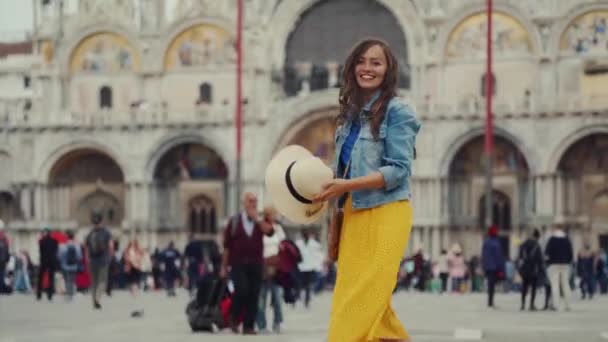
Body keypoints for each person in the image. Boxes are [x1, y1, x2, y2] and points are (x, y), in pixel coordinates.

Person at [312, 38, 421, 342]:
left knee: (360, 302)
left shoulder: (399, 112)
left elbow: (398, 170)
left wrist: (345, 185)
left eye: (376, 62)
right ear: (351, 67)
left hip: (387, 213)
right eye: (361, 61)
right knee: (365, 302)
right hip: (354, 214)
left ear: (388, 70)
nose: (367, 68)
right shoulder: (348, 116)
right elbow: (344, 169)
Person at [220, 192, 275, 335]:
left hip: (256, 263)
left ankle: (248, 326)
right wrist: (223, 267)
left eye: (255, 201)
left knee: (254, 294)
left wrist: (256, 219)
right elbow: (227, 246)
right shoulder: (234, 222)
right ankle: (234, 318)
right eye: (250, 201)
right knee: (242, 290)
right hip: (238, 264)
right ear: (243, 203)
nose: (253, 203)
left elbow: (270, 232)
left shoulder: (260, 221)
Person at [256, 206, 286, 334]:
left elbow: (283, 245)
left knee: (277, 298)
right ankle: (262, 325)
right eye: (272, 214)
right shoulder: (260, 229)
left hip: (276, 267)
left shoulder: (278, 229)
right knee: (261, 298)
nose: (274, 216)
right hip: (262, 266)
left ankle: (277, 322)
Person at [85, 211, 113, 309]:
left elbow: (87, 249)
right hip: (103, 260)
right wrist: (110, 257)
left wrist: (88, 260)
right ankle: (97, 298)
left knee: (94, 282)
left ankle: (94, 302)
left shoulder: (90, 233)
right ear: (101, 221)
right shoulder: (106, 232)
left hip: (93, 260)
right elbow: (110, 246)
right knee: (102, 281)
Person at [544, 225, 573, 311]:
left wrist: (548, 263)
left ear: (555, 229)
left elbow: (547, 253)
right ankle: (568, 305)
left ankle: (555, 305)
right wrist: (568, 261)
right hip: (565, 264)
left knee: (555, 285)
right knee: (566, 284)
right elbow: (570, 253)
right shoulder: (567, 239)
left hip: (554, 264)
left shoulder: (552, 239)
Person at [295, 228, 322, 308]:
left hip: (310, 267)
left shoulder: (314, 243)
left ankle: (307, 300)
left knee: (308, 285)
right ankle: (298, 296)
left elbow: (318, 252)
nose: (306, 235)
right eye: (304, 233)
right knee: (299, 284)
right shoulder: (298, 243)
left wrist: (317, 264)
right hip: (301, 267)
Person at [517, 229, 543, 310]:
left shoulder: (523, 245)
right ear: (537, 236)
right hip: (533, 269)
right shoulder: (537, 245)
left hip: (525, 268)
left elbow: (520, 257)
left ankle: (523, 304)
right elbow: (540, 259)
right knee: (533, 287)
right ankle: (531, 305)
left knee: (524, 286)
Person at [481, 225, 505, 308]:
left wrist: (484, 265)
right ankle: (491, 301)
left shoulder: (486, 242)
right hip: (494, 267)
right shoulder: (496, 243)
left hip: (488, 267)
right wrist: (501, 268)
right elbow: (499, 257)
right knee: (492, 284)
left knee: (490, 284)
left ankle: (490, 301)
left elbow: (483, 255)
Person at [58, 230, 82, 301]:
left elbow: (60, 256)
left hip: (65, 266)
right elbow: (79, 257)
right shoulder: (77, 246)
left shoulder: (63, 246)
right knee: (72, 280)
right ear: (73, 237)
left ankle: (68, 294)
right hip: (74, 266)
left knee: (67, 280)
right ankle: (71, 294)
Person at [123, 239, 144, 317]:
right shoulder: (134, 250)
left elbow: (127, 259)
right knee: (134, 286)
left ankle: (135, 302)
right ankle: (135, 298)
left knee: (133, 286)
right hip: (134, 268)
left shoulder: (129, 250)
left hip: (133, 269)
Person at [37, 228, 59, 301]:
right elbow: (56, 252)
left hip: (43, 261)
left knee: (40, 278)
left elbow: (40, 252)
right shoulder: (55, 242)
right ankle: (50, 294)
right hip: (51, 262)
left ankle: (39, 294)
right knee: (51, 278)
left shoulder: (41, 241)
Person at [0, 220, 10, 293]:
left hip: (2, 260)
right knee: (2, 274)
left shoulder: (4, 238)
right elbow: (7, 250)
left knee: (2, 274)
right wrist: (7, 259)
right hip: (3, 260)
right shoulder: (5, 237)